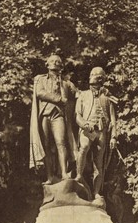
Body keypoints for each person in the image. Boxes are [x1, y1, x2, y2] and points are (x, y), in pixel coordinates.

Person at [29, 54, 78, 184]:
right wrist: (58, 99)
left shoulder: (66, 84)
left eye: (57, 63)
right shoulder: (40, 80)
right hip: (45, 114)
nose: (55, 64)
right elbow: (40, 93)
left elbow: (79, 94)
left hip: (58, 115)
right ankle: (50, 177)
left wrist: (101, 91)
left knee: (60, 142)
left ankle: (63, 173)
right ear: (47, 65)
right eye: (52, 62)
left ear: (61, 67)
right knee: (46, 145)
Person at [75, 67, 117, 206]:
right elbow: (77, 116)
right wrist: (84, 125)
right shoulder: (83, 95)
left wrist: (114, 137)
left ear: (101, 79)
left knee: (99, 164)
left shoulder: (108, 97)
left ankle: (96, 193)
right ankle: (79, 176)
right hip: (87, 129)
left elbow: (113, 119)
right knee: (84, 147)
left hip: (102, 132)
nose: (92, 77)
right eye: (91, 74)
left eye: (95, 75)